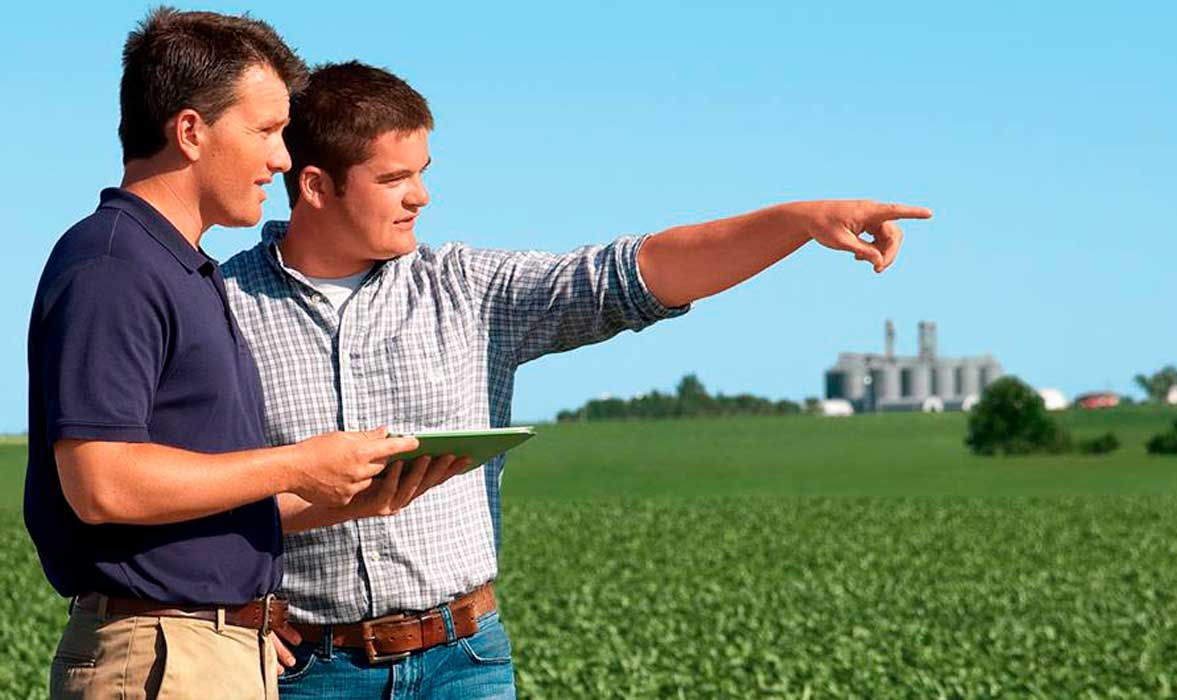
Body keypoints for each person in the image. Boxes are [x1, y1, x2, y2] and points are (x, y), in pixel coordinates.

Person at [221, 60, 932, 699]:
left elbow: (630, 275)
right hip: (307, 674)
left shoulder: (468, 289)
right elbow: (172, 489)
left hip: (463, 661)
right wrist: (223, 612)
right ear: (314, 186)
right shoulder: (218, 309)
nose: (422, 197)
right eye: (394, 178)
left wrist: (795, 223)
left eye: (424, 171)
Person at [24, 12, 452, 699]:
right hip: (162, 660)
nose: (282, 159)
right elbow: (101, 483)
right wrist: (301, 462)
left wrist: (347, 494)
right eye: (264, 131)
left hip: (207, 654)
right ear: (190, 131)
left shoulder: (184, 270)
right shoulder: (114, 266)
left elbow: (193, 498)